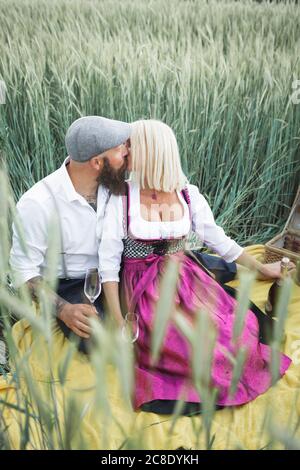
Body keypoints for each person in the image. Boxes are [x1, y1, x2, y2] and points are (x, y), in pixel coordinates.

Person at [98, 119, 293, 415]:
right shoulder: (120, 196)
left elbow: (219, 241)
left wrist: (261, 269)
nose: (124, 151)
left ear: (151, 152)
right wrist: (121, 319)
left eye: (130, 145)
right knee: (190, 351)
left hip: (186, 278)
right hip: (144, 291)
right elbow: (108, 265)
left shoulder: (188, 194)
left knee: (232, 337)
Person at [9, 115, 131, 353]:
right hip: (69, 287)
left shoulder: (116, 186)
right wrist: (64, 309)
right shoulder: (39, 202)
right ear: (97, 163)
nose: (127, 152)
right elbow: (22, 270)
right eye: (119, 149)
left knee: (153, 327)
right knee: (102, 345)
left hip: (117, 276)